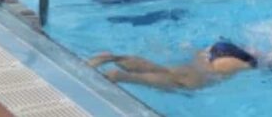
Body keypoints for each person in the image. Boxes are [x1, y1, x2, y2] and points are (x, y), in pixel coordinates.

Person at [88, 40, 257, 91]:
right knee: (171, 83)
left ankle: (114, 58)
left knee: (162, 70)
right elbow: (256, 64)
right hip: (199, 76)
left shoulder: (233, 50)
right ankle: (121, 76)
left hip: (210, 52)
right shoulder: (240, 62)